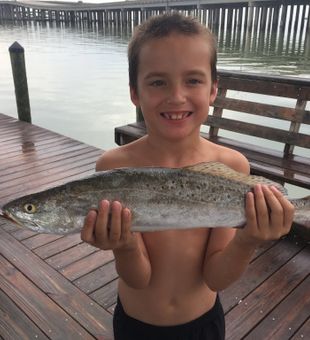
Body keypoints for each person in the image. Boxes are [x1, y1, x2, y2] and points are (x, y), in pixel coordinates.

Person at [81, 13, 294, 340]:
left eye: (193, 80)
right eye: (157, 82)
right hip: (135, 325)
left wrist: (250, 238)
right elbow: (138, 278)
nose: (176, 96)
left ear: (213, 90)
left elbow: (216, 278)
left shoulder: (232, 165)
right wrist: (123, 246)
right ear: (134, 92)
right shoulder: (114, 166)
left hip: (203, 325)